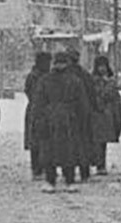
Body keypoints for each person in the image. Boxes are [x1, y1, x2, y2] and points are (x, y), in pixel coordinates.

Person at [30, 51, 90, 193]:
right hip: (69, 119)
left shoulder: (45, 80)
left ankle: (51, 180)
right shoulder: (74, 80)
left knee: (49, 151)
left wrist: (38, 119)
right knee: (68, 151)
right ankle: (69, 179)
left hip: (49, 118)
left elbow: (38, 102)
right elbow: (82, 104)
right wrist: (82, 120)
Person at [64, 49, 95, 184]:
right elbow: (91, 94)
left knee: (67, 144)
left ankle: (68, 172)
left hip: (68, 115)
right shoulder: (84, 75)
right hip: (83, 114)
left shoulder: (64, 77)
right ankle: (84, 172)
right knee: (83, 144)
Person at [89, 55, 121, 176]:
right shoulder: (93, 81)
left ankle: (101, 164)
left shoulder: (110, 81)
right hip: (96, 114)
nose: (102, 68)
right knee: (96, 141)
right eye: (99, 66)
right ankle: (98, 164)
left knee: (103, 142)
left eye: (103, 66)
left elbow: (114, 97)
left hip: (107, 114)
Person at [23, 52, 52, 178]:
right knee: (37, 141)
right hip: (39, 110)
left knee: (41, 140)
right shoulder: (37, 77)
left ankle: (41, 167)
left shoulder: (35, 76)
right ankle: (37, 168)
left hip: (40, 109)